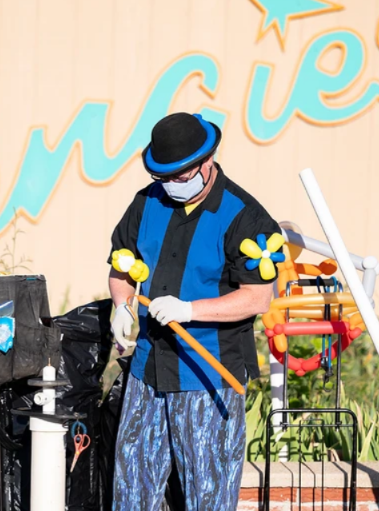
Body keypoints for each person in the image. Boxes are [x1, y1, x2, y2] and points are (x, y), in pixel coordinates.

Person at [107, 112, 282, 511]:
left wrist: (189, 309)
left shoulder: (246, 217)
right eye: (163, 178)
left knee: (209, 494)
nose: (171, 186)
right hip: (148, 369)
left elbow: (258, 298)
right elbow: (121, 266)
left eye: (180, 177)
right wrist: (122, 305)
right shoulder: (147, 201)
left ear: (207, 162)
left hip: (208, 373)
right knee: (132, 486)